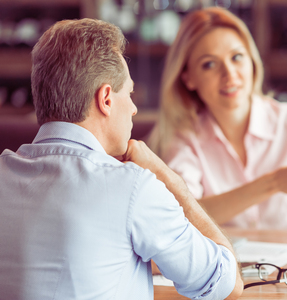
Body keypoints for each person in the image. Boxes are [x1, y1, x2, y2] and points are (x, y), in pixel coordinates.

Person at [0, 18, 243, 300]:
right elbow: (226, 284)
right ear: (106, 99)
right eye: (129, 93)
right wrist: (168, 179)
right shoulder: (133, 187)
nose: (134, 108)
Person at [149, 7, 287, 230]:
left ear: (252, 61)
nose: (229, 74)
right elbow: (185, 217)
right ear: (188, 78)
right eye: (209, 64)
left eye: (237, 57)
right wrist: (273, 183)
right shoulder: (182, 135)